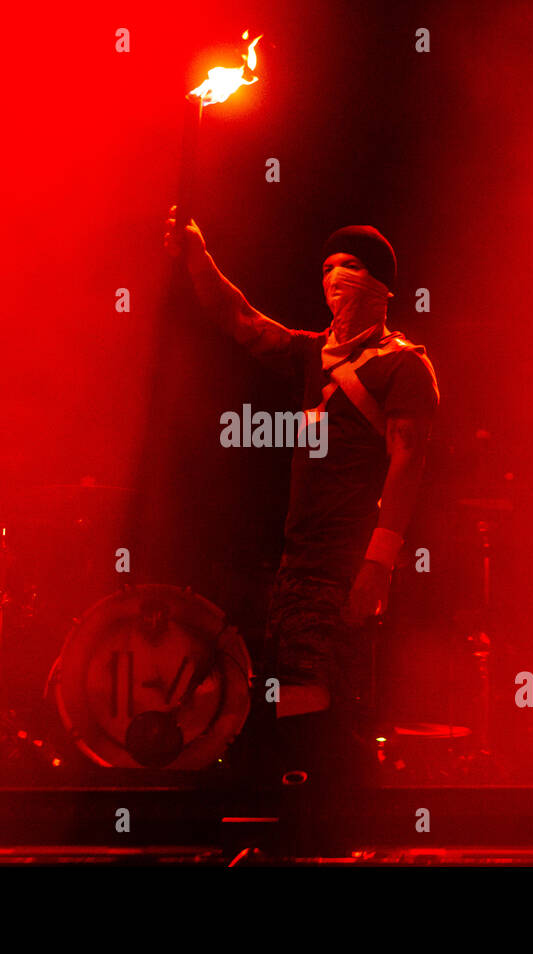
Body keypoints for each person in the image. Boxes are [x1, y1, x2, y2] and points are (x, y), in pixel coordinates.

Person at [165, 209, 438, 787]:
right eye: (328, 267)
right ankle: (312, 816)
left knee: (311, 695)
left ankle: (340, 813)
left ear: (383, 283)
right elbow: (242, 319)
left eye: (352, 267)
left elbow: (408, 462)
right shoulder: (310, 355)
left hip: (347, 559)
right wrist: (198, 256)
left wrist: (378, 564)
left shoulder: (404, 366)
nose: (336, 277)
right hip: (298, 556)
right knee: (295, 688)